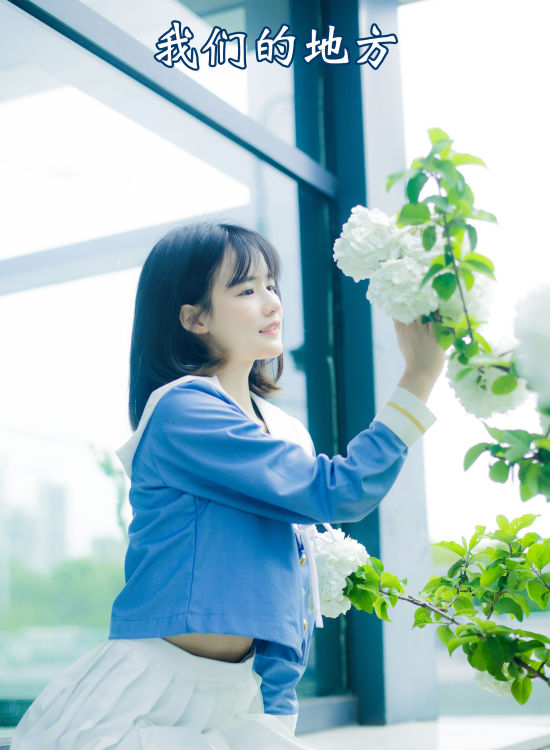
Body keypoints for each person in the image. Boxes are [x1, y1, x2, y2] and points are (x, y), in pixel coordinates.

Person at [10, 221, 445, 749]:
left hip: (236, 698)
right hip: (153, 689)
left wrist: (278, 713)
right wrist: (417, 379)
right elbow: (338, 492)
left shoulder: (281, 429)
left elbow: (291, 592)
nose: (270, 304)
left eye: (271, 286)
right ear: (194, 317)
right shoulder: (182, 410)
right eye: (245, 290)